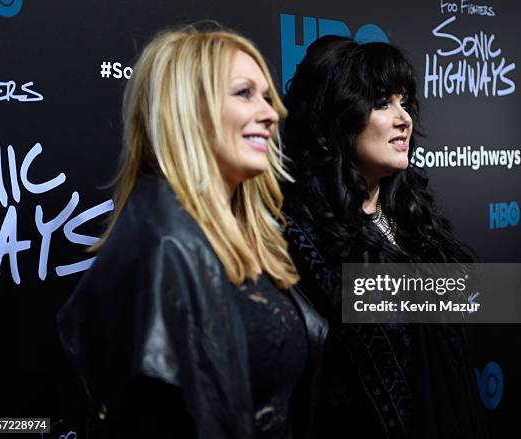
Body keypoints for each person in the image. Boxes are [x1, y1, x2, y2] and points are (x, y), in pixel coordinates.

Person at [57, 24, 327, 439]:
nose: (272, 113)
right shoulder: (164, 243)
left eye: (268, 97)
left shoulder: (254, 236)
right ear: (186, 107)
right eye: (244, 93)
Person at [281, 35, 487, 438]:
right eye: (381, 103)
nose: (403, 118)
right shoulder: (301, 240)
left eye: (404, 102)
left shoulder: (415, 223)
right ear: (337, 118)